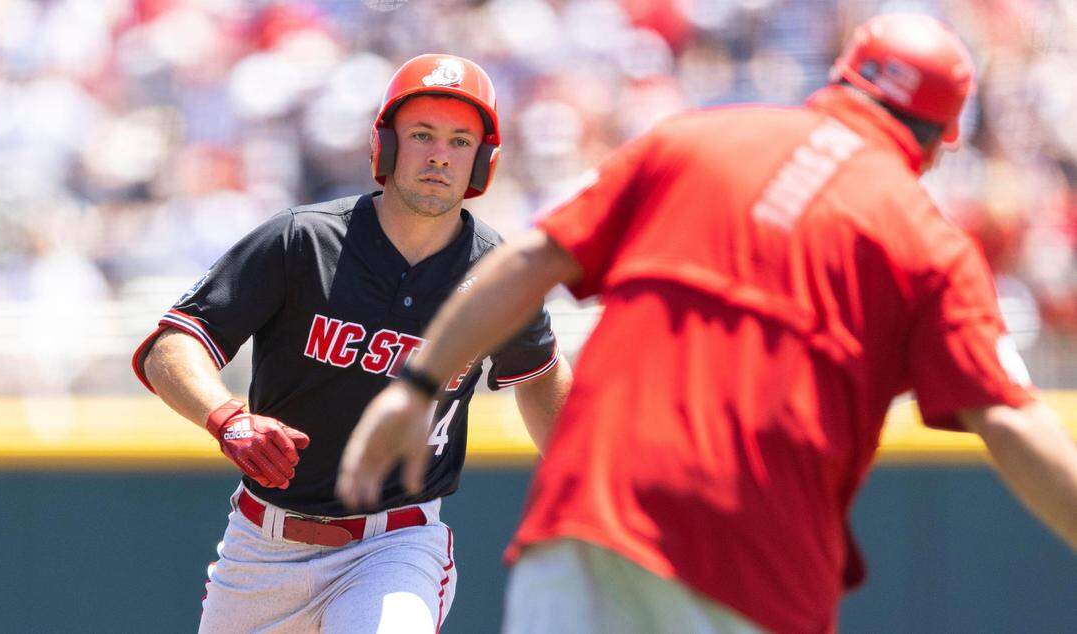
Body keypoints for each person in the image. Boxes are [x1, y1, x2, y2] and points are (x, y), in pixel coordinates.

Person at [337, 15, 1077, 634]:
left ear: (841, 78)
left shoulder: (693, 139)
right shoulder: (927, 240)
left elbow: (531, 259)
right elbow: (1010, 421)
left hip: (586, 519)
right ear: (941, 137)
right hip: (755, 562)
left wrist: (416, 385)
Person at [132, 53, 571, 633]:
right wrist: (226, 418)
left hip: (394, 543)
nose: (440, 154)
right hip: (263, 546)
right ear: (384, 146)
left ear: (483, 161)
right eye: (421, 134)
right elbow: (172, 346)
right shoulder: (303, 240)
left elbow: (540, 380)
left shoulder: (498, 275)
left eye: (460, 140)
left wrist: (595, 486)